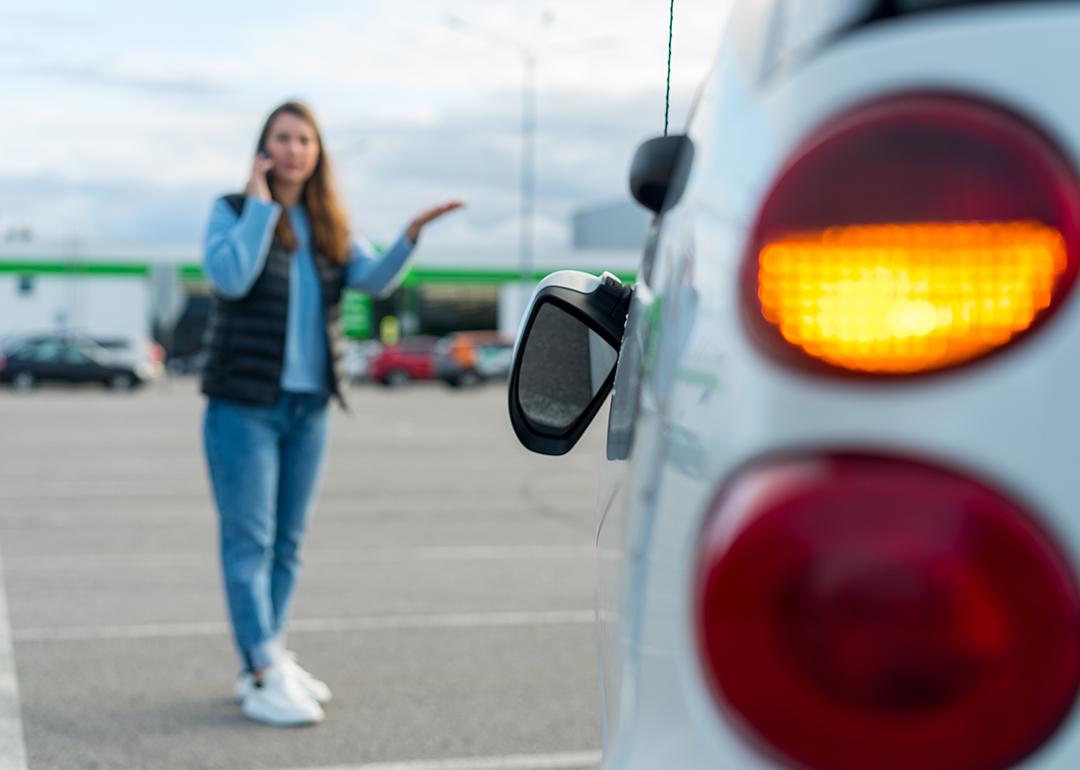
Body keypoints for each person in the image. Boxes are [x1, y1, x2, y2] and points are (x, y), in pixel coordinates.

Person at [201, 100, 462, 726]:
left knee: (288, 545)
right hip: (244, 405)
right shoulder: (233, 211)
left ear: (318, 153)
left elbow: (373, 281)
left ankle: (266, 659)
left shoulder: (330, 224)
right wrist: (262, 205)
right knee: (250, 542)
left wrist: (411, 236)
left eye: (305, 139)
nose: (294, 149)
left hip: (309, 405)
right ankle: (263, 667)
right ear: (263, 149)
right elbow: (230, 278)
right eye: (282, 138)